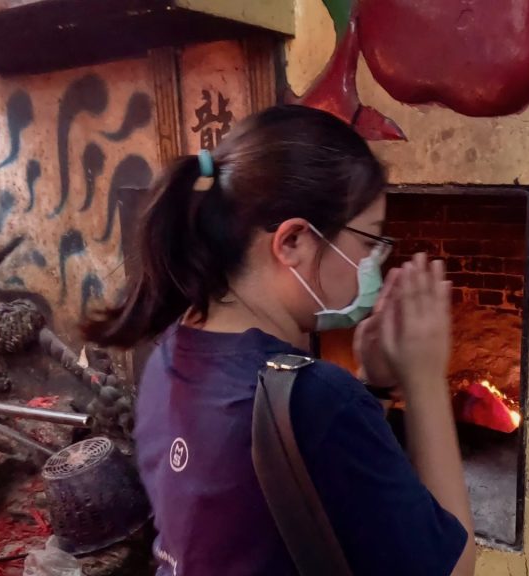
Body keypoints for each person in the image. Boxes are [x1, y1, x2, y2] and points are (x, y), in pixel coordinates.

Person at [84, 105, 475, 576]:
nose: (375, 262)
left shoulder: (172, 352)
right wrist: (424, 376)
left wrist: (371, 384)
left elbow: (296, 502)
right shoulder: (316, 398)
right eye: (369, 241)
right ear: (292, 242)